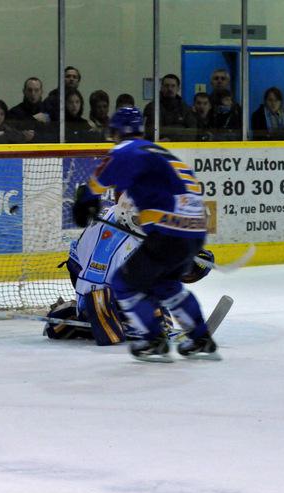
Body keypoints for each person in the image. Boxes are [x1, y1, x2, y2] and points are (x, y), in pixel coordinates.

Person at [72, 107, 216, 360]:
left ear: (117, 131)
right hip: (198, 227)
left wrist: (85, 200)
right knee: (167, 285)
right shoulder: (161, 152)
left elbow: (97, 183)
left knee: (123, 284)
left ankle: (152, 340)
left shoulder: (125, 150)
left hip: (168, 231)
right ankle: (200, 338)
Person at [46, 193, 213, 345]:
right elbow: (90, 297)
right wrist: (95, 320)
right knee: (109, 331)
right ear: (126, 216)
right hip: (87, 275)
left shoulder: (132, 218)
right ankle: (64, 315)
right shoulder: (108, 250)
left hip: (118, 269)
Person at [142, 74, 195, 141]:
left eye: (173, 86)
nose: (170, 89)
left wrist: (171, 139)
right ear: (161, 87)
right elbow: (150, 131)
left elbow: (192, 133)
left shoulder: (185, 109)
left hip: (181, 146)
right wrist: (179, 129)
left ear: (178, 88)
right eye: (166, 86)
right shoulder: (152, 107)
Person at [7, 77, 50, 142]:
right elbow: (9, 135)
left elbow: (56, 135)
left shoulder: (48, 111)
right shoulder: (14, 113)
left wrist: (36, 137)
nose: (33, 93)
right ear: (24, 91)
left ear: (41, 92)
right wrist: (21, 136)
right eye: (30, 90)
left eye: (36, 90)